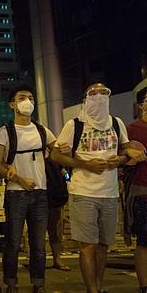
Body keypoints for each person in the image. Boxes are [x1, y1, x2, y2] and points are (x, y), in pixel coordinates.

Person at [51, 82, 146, 293]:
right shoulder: (74, 125)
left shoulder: (116, 123)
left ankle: (99, 287)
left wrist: (119, 160)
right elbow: (56, 155)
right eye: (94, 94)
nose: (100, 97)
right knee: (87, 246)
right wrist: (85, 164)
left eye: (104, 94)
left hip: (110, 193)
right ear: (86, 99)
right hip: (82, 191)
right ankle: (92, 289)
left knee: (104, 246)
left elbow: (125, 149)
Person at [0, 84, 56, 293]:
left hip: (41, 193)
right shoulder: (4, 132)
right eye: (22, 97)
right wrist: (20, 179)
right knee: (13, 241)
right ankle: (10, 283)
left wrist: (61, 149)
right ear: (12, 104)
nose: (27, 101)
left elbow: (57, 152)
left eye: (30, 97)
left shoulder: (42, 130)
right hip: (15, 193)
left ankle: (39, 284)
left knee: (38, 244)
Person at [125, 86, 147, 293]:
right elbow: (123, 160)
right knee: (144, 241)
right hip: (142, 192)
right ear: (141, 105)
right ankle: (144, 285)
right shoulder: (132, 129)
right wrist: (131, 153)